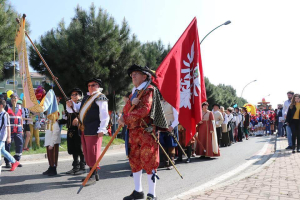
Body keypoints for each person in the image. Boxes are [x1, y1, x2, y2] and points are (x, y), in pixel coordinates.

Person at [118, 64, 168, 200]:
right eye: (131, 74)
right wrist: (123, 115)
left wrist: (126, 118)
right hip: (133, 131)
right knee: (134, 160)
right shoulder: (134, 92)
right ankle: (138, 191)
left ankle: (152, 194)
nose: (133, 76)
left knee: (149, 160)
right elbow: (126, 109)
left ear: (144, 76)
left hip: (146, 132)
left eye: (136, 74)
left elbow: (145, 109)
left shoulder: (149, 90)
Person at [66, 78, 109, 186]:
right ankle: (92, 173)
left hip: (94, 129)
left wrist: (102, 129)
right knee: (87, 152)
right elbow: (77, 109)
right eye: (89, 85)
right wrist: (70, 104)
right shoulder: (86, 97)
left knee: (93, 152)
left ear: (98, 86)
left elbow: (104, 115)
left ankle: (92, 174)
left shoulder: (100, 97)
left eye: (93, 85)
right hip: (84, 129)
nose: (91, 87)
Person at [65, 88, 85, 175]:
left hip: (79, 130)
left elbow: (80, 112)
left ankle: (82, 167)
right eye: (72, 95)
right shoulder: (69, 104)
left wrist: (78, 118)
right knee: (73, 149)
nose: (74, 96)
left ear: (80, 96)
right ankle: (75, 167)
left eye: (76, 94)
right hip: (70, 130)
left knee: (80, 149)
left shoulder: (82, 104)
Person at [4, 93, 23, 168]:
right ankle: (8, 162)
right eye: (12, 98)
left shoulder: (20, 107)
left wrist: (22, 129)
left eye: (15, 98)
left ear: (18, 99)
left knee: (19, 145)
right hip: (10, 131)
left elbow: (21, 118)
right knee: (7, 146)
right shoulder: (7, 107)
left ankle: (16, 161)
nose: (13, 100)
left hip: (18, 131)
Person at [159, 98, 179, 170]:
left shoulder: (172, 103)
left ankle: (171, 162)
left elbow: (177, 118)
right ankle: (165, 162)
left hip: (171, 127)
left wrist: (172, 126)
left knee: (171, 145)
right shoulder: (159, 103)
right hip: (161, 127)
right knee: (162, 145)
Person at [0, 100, 20, 171]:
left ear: (1, 105)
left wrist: (9, 137)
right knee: (3, 151)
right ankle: (14, 162)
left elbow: (8, 126)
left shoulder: (5, 115)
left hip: (2, 137)